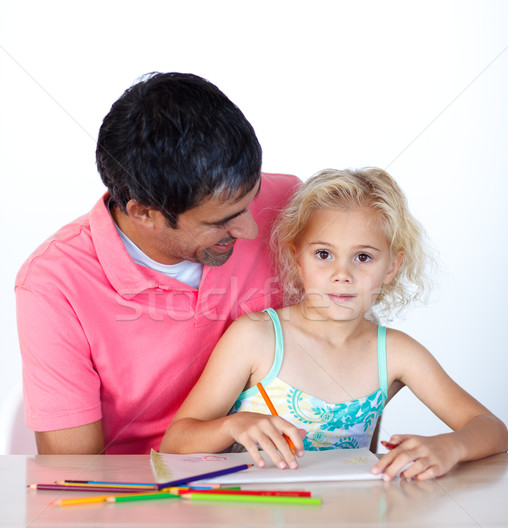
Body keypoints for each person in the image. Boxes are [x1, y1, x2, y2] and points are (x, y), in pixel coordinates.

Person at [15, 72, 300, 455]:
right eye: (220, 221)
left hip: (282, 481)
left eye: (251, 199)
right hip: (143, 496)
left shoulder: (292, 204)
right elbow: (75, 475)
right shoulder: (53, 284)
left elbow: (358, 347)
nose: (251, 228)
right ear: (144, 213)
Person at [161, 167, 508, 480]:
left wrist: (451, 447)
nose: (342, 275)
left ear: (391, 267)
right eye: (323, 254)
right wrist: (231, 426)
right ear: (298, 259)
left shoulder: (396, 353)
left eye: (363, 257)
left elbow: (492, 429)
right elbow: (175, 442)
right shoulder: (256, 337)